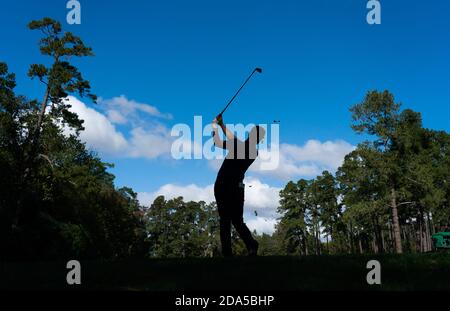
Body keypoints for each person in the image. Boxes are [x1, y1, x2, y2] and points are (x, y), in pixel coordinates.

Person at [212, 114, 266, 257]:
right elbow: (232, 138)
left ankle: (227, 254)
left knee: (225, 220)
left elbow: (218, 142)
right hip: (237, 188)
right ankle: (251, 244)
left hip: (223, 185)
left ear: (250, 133)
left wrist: (214, 128)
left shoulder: (238, 145)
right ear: (260, 139)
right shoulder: (254, 151)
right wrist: (222, 124)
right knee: (237, 220)